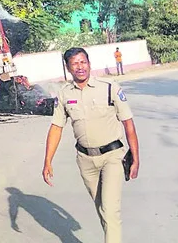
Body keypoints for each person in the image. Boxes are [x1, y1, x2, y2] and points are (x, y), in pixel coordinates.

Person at [42, 47, 140, 243]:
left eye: (83, 62)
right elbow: (56, 127)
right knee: (102, 208)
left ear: (89, 63)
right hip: (86, 161)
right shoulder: (64, 94)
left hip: (112, 156)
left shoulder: (110, 87)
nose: (80, 67)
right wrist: (47, 161)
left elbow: (128, 123)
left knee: (111, 209)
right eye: (75, 63)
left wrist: (135, 158)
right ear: (68, 68)